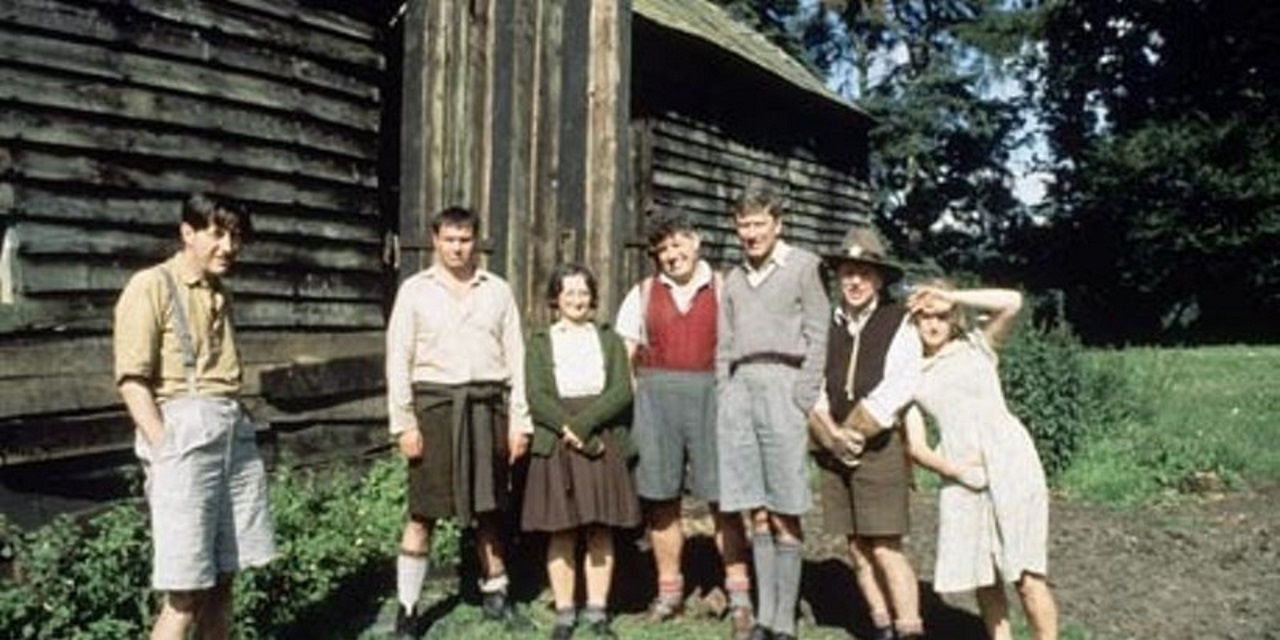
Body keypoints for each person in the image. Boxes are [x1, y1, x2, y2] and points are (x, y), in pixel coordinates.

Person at [114, 193, 275, 640]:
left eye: (236, 237)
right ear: (188, 233)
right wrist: (165, 448)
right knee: (184, 592)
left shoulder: (219, 292)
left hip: (231, 433)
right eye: (217, 234)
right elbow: (132, 380)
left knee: (224, 580)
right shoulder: (151, 285)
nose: (229, 246)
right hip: (183, 437)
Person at [384, 206, 532, 637]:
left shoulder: (497, 291)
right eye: (449, 239)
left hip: (487, 407)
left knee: (490, 509)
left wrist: (519, 420)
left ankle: (496, 593)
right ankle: (408, 609)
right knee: (422, 513)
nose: (457, 247)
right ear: (435, 240)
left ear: (476, 241)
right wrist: (403, 423)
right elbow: (398, 359)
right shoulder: (414, 291)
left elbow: (517, 360)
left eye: (465, 239)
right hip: (433, 409)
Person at [615, 210, 754, 637]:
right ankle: (669, 592)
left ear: (697, 243)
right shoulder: (641, 292)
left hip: (713, 396)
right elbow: (625, 354)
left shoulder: (725, 286)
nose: (671, 255)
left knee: (724, 501)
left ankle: (740, 595)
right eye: (663, 249)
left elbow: (746, 345)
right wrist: (635, 405)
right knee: (661, 500)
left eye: (678, 244)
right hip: (656, 399)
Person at [904, 281, 1059, 640]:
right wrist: (955, 470)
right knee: (983, 577)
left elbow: (1013, 302)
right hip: (962, 476)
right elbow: (917, 446)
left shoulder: (977, 346)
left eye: (941, 316)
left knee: (1027, 576)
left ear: (953, 317)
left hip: (1011, 463)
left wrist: (952, 296)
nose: (933, 325)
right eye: (925, 317)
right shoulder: (911, 374)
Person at [716, 188, 830, 640]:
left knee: (785, 507)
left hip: (785, 385)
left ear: (777, 225)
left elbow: (820, 334)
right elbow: (724, 345)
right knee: (756, 509)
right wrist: (726, 392)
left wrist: (803, 393)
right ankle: (764, 616)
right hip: (741, 389)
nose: (751, 233)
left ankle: (785, 620)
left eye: (759, 224)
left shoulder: (804, 267)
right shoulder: (735, 278)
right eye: (744, 225)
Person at [807, 225, 924, 640]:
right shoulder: (828, 325)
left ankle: (910, 629)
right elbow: (816, 387)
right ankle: (881, 626)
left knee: (885, 546)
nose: (854, 281)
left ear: (879, 280)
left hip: (877, 448)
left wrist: (851, 433)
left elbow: (899, 385)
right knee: (855, 544)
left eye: (864, 273)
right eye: (847, 273)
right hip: (834, 447)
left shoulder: (899, 323)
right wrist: (830, 435)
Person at [522, 263, 641, 639]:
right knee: (562, 531)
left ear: (592, 297)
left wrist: (585, 426)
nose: (576, 299)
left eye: (583, 292)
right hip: (557, 441)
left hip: (602, 436)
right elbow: (537, 396)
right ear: (556, 298)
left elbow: (622, 390)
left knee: (599, 529)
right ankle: (564, 613)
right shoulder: (540, 341)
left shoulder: (608, 338)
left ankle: (597, 611)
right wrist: (568, 428)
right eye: (568, 292)